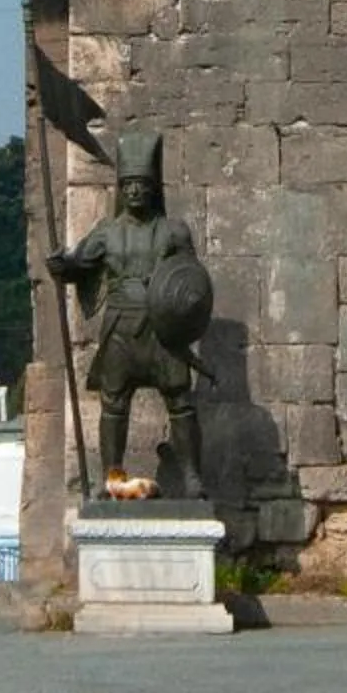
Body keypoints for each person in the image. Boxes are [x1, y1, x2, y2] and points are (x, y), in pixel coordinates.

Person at [47, 126, 210, 497]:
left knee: (180, 400)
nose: (135, 191)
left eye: (142, 184)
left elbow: (192, 283)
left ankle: (192, 477)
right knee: (114, 404)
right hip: (120, 326)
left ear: (154, 188)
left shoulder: (173, 232)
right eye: (129, 184)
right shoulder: (107, 232)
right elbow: (79, 264)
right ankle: (112, 478)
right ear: (121, 189)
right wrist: (61, 265)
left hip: (161, 329)